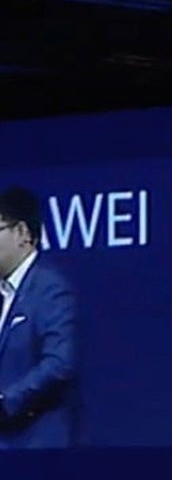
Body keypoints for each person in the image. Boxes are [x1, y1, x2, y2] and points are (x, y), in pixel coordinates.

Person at [0, 185, 77, 450]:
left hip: (35, 446)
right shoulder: (4, 293)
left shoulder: (49, 288)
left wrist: (6, 402)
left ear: (22, 233)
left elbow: (59, 362)